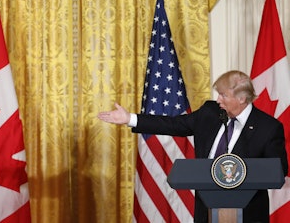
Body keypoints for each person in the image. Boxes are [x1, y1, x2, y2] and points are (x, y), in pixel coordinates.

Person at [98, 70, 288, 223]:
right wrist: (130, 119)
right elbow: (174, 125)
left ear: (241, 99)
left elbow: (278, 170)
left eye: (223, 95)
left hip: (248, 214)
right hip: (206, 211)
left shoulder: (268, 128)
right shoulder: (210, 112)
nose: (218, 100)